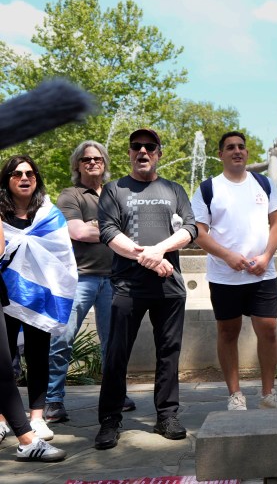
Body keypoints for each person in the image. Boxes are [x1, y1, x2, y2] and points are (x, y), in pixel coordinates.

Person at [93, 129, 198, 450]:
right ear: (129, 153)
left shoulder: (174, 189)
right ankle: (110, 420)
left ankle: (167, 415)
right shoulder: (114, 190)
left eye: (149, 147)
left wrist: (158, 251)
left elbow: (191, 229)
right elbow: (108, 232)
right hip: (127, 286)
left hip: (170, 288)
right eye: (136, 146)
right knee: (116, 354)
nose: (142, 151)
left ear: (159, 153)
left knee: (168, 354)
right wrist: (149, 257)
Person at [191, 131, 277, 411]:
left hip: (263, 273)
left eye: (241, 147)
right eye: (230, 147)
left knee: (269, 330)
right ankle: (235, 394)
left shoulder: (264, 183)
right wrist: (226, 256)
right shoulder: (208, 188)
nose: (237, 151)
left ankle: (269, 393)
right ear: (221, 154)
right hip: (224, 276)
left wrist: (267, 256)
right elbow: (199, 232)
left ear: (247, 153)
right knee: (227, 332)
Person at [44, 141, 136, 424]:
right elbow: (79, 232)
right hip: (79, 278)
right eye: (86, 160)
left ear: (105, 163)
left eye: (98, 159)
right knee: (63, 339)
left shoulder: (117, 193)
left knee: (113, 344)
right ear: (77, 165)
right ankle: (53, 400)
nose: (93, 163)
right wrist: (112, 230)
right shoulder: (70, 195)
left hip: (114, 279)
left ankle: (115, 396)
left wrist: (99, 227)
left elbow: (133, 229)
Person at [0, 155, 77, 442]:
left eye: (30, 174)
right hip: (4, 298)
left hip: (39, 299)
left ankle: (37, 417)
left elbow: (62, 258)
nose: (24, 178)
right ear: (7, 179)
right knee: (4, 361)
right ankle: (3, 417)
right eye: (17, 173)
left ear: (36, 179)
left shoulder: (49, 215)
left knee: (38, 357)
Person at [0, 222, 67, 462]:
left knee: (5, 369)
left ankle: (27, 437)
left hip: (24, 295)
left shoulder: (46, 215)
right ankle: (26, 440)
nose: (24, 180)